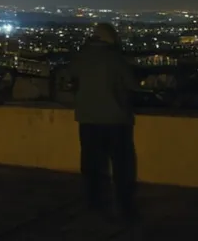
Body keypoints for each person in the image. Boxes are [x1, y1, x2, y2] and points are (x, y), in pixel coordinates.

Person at [58, 23, 139, 221]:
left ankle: (94, 202)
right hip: (116, 120)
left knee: (92, 163)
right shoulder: (115, 58)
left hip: (87, 119)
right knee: (122, 165)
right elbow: (133, 84)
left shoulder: (81, 57)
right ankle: (124, 206)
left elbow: (67, 81)